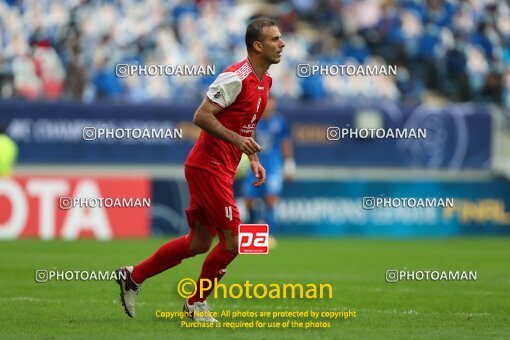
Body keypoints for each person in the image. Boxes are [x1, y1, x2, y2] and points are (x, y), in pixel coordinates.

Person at [116, 17, 285, 323]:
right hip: (208, 166)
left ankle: (133, 275)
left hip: (222, 167)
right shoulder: (235, 77)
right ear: (257, 46)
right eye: (275, 39)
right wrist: (237, 141)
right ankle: (195, 304)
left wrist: (255, 157)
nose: (282, 43)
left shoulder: (266, 81)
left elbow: (245, 125)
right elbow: (201, 115)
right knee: (232, 243)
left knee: (198, 243)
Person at [241, 97, 295, 240]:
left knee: (271, 199)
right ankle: (251, 233)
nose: (269, 105)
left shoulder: (280, 121)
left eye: (271, 102)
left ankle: (270, 235)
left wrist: (289, 163)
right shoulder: (253, 120)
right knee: (248, 200)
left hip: (273, 167)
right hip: (254, 165)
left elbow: (285, 142)